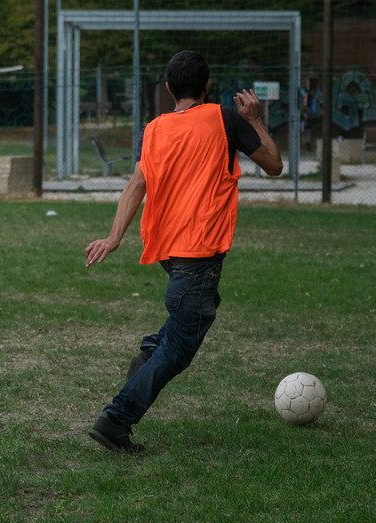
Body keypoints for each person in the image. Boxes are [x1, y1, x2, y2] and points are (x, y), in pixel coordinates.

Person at [85, 51, 282, 453]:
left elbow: (136, 184)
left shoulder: (154, 128)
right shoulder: (224, 119)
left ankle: (150, 352)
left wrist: (114, 236)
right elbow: (274, 164)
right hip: (198, 250)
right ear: (208, 85)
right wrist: (255, 120)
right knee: (181, 344)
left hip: (167, 250)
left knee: (198, 309)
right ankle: (115, 420)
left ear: (168, 88)